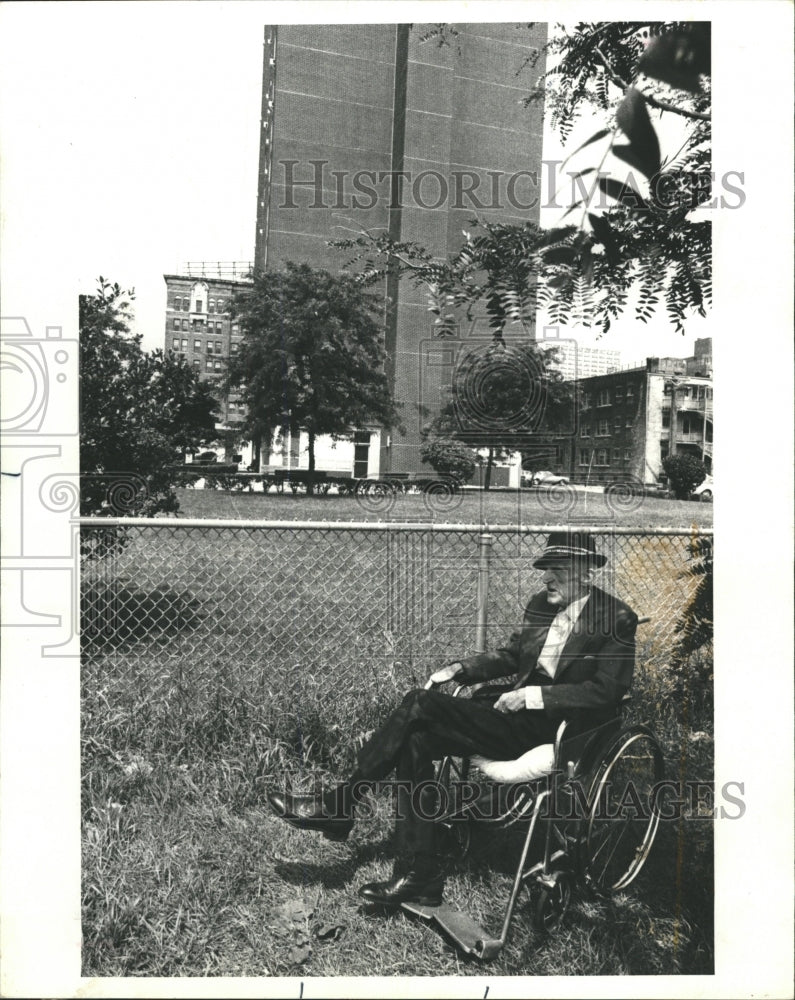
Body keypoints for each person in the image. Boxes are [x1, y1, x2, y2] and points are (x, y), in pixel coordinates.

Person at [267, 530, 638, 908]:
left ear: (586, 573)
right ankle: (419, 875)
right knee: (417, 739)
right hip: (509, 721)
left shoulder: (617, 619)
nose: (546, 578)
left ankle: (340, 806)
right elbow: (513, 655)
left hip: (561, 730)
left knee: (418, 704)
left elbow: (606, 691)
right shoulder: (541, 605)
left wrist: (531, 696)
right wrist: (461, 668)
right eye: (545, 568)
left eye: (557, 569)